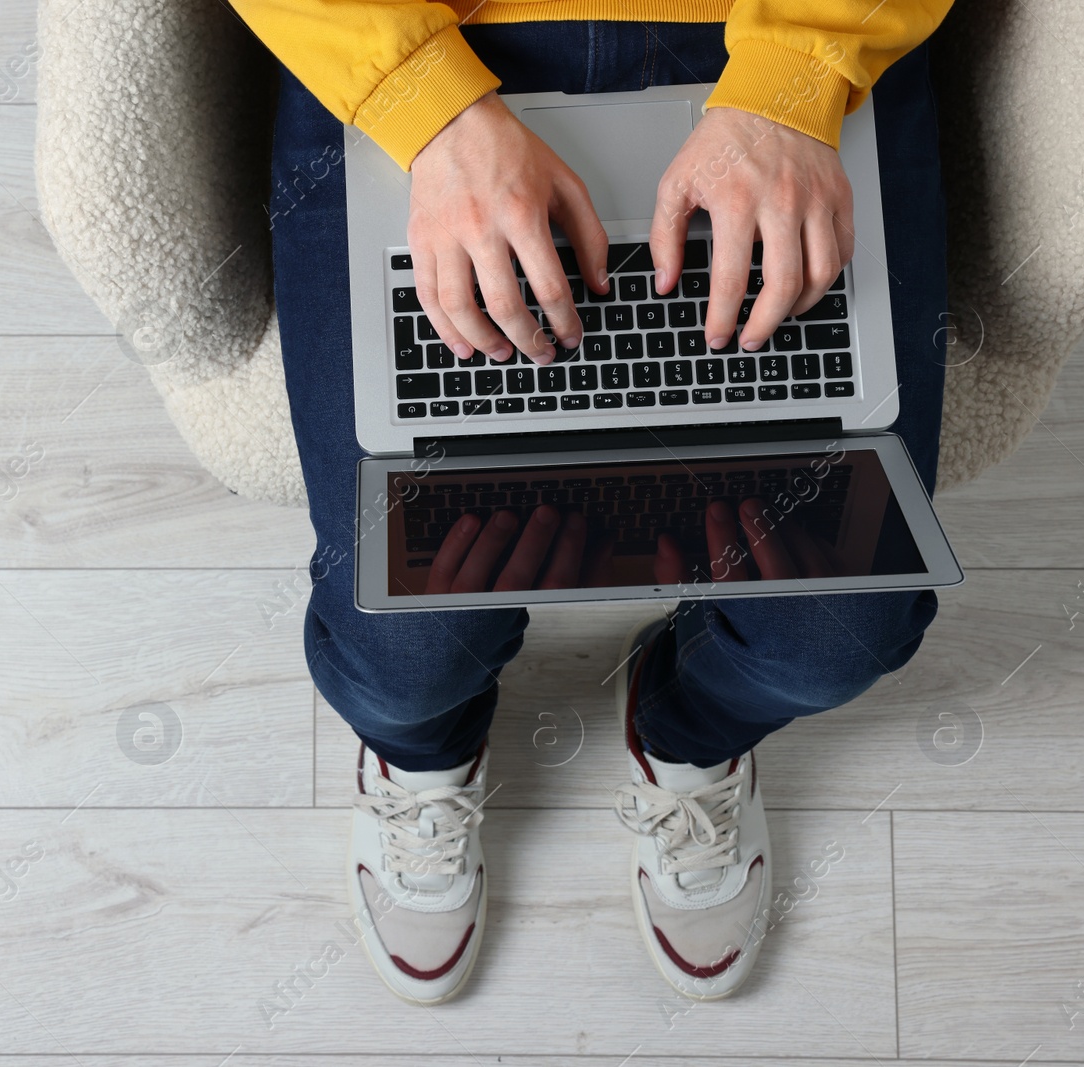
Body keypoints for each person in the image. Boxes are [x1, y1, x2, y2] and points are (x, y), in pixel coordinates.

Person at [231, 0, 953, 1004]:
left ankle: (686, 726)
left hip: (773, 48)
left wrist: (797, 73)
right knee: (402, 643)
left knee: (838, 624)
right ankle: (422, 751)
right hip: (429, 45)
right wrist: (423, 104)